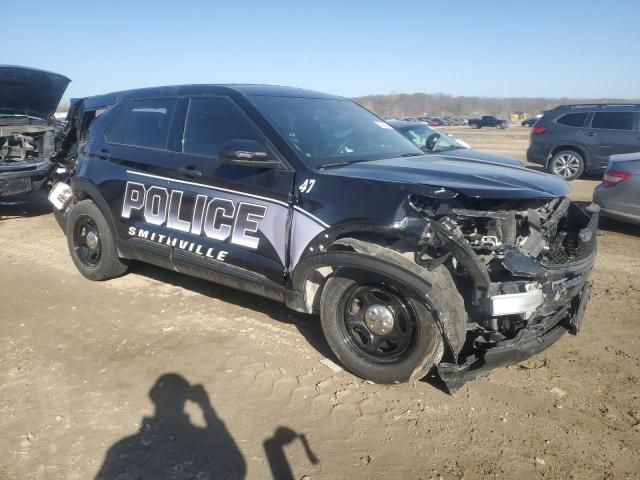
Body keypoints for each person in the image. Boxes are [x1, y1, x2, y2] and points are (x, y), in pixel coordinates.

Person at [96, 373, 246, 479]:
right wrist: (206, 408)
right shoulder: (202, 440)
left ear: (153, 396)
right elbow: (237, 466)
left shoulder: (122, 448)